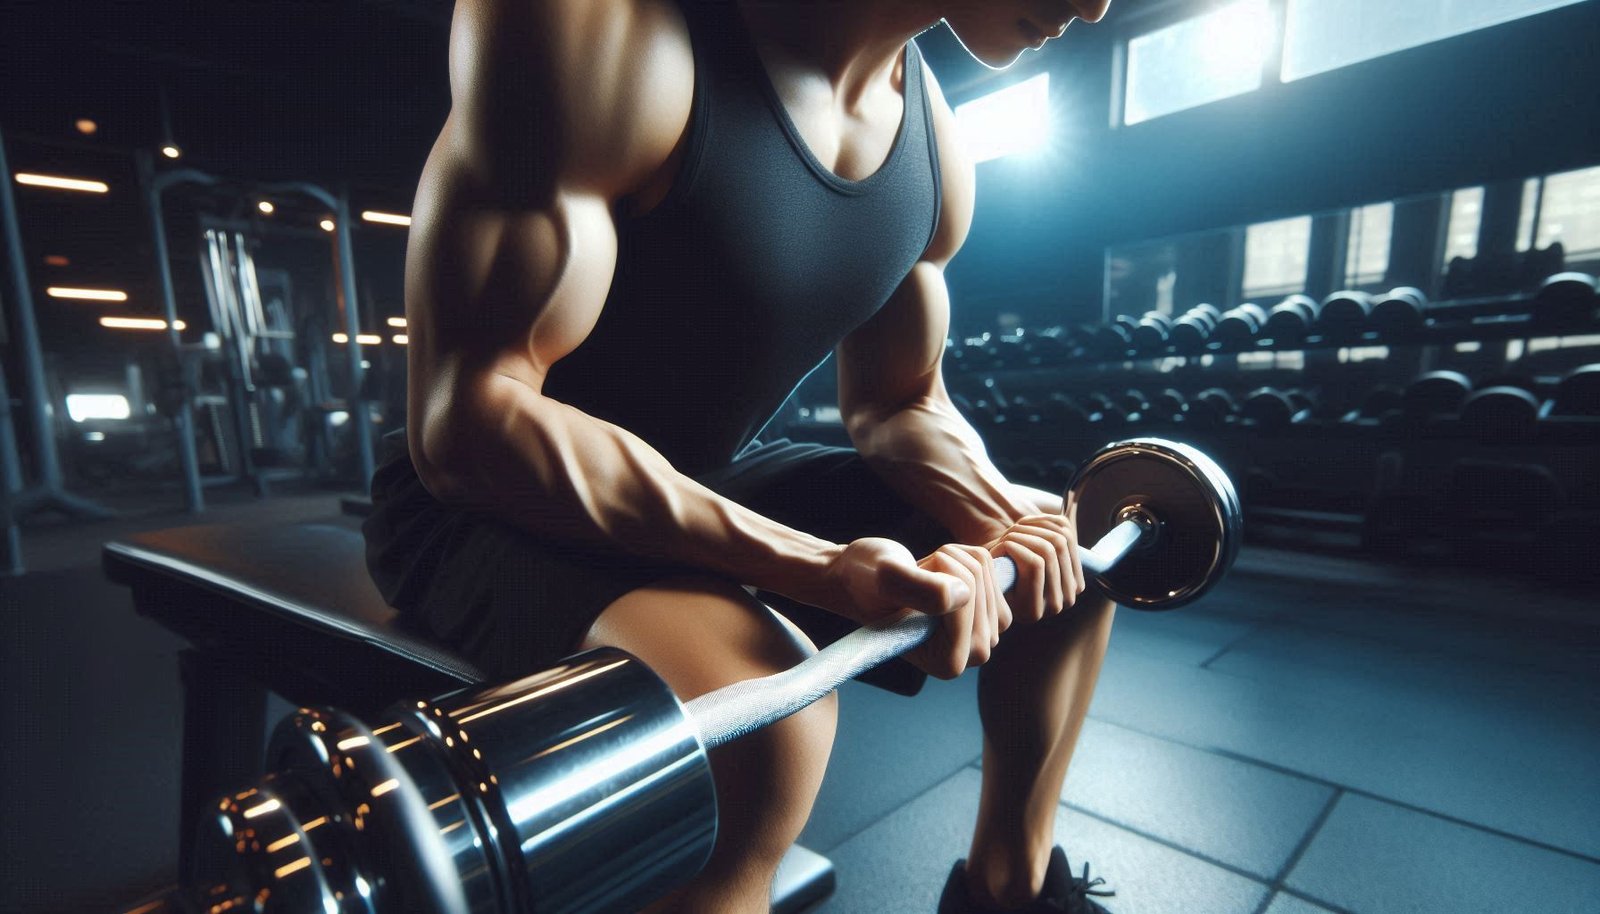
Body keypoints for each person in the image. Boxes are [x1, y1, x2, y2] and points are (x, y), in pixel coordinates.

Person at [363, 0, 1119, 911]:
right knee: (768, 719)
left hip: (703, 471)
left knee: (1073, 564)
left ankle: (1009, 890)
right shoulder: (605, 35)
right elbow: (471, 420)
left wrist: (1009, 519)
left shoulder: (934, 152)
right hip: (479, 502)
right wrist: (819, 568)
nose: (1096, 5)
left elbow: (900, 403)